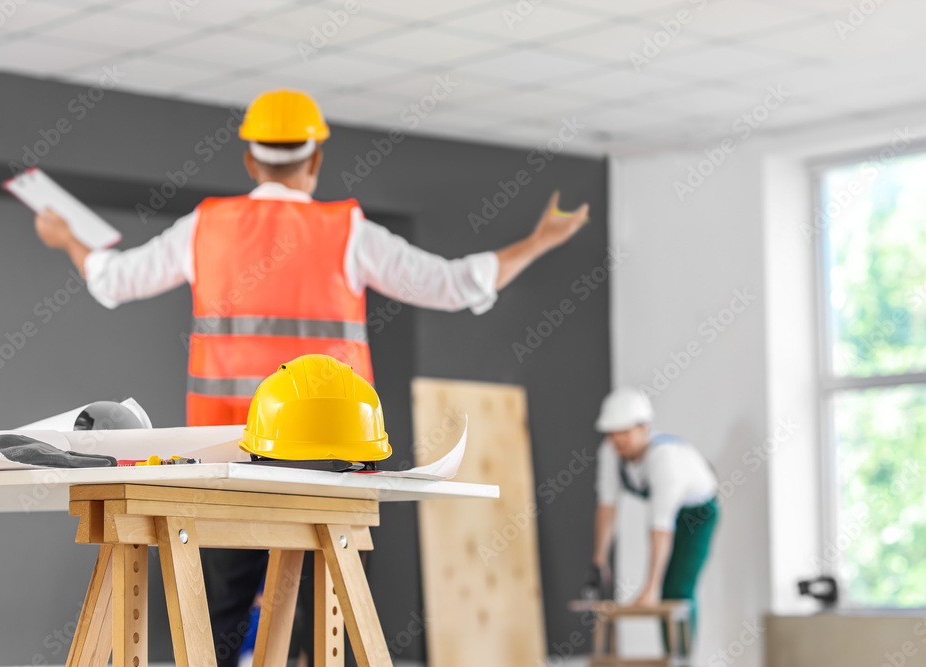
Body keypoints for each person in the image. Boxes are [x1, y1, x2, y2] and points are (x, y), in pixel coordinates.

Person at [34, 89, 589, 665]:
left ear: (250, 161)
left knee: (215, 621)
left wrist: (68, 239)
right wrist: (540, 240)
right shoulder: (348, 231)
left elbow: (113, 280)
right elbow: (454, 284)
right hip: (329, 469)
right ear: (315, 159)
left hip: (226, 461)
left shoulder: (205, 227)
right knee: (321, 621)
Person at [588, 387, 718, 655]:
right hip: (670, 517)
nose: (617, 440)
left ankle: (680, 659)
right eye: (612, 433)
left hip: (698, 514)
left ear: (644, 428)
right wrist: (599, 561)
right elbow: (608, 507)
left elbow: (660, 527)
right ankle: (670, 657)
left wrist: (649, 588)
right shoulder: (611, 453)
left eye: (624, 432)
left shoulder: (665, 460)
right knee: (666, 590)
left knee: (676, 589)